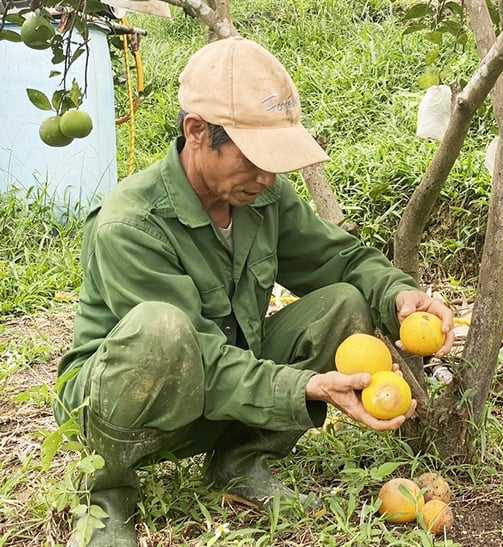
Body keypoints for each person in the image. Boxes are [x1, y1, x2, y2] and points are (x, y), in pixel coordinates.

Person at [53, 35, 454, 547]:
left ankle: (240, 460)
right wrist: (302, 387)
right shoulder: (130, 225)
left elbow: (339, 260)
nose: (267, 176)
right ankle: (104, 492)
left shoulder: (261, 196)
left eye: (275, 160)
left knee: (344, 302)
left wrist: (399, 295)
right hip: (131, 404)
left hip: (221, 388)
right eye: (252, 159)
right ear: (197, 131)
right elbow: (197, 354)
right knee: (162, 327)